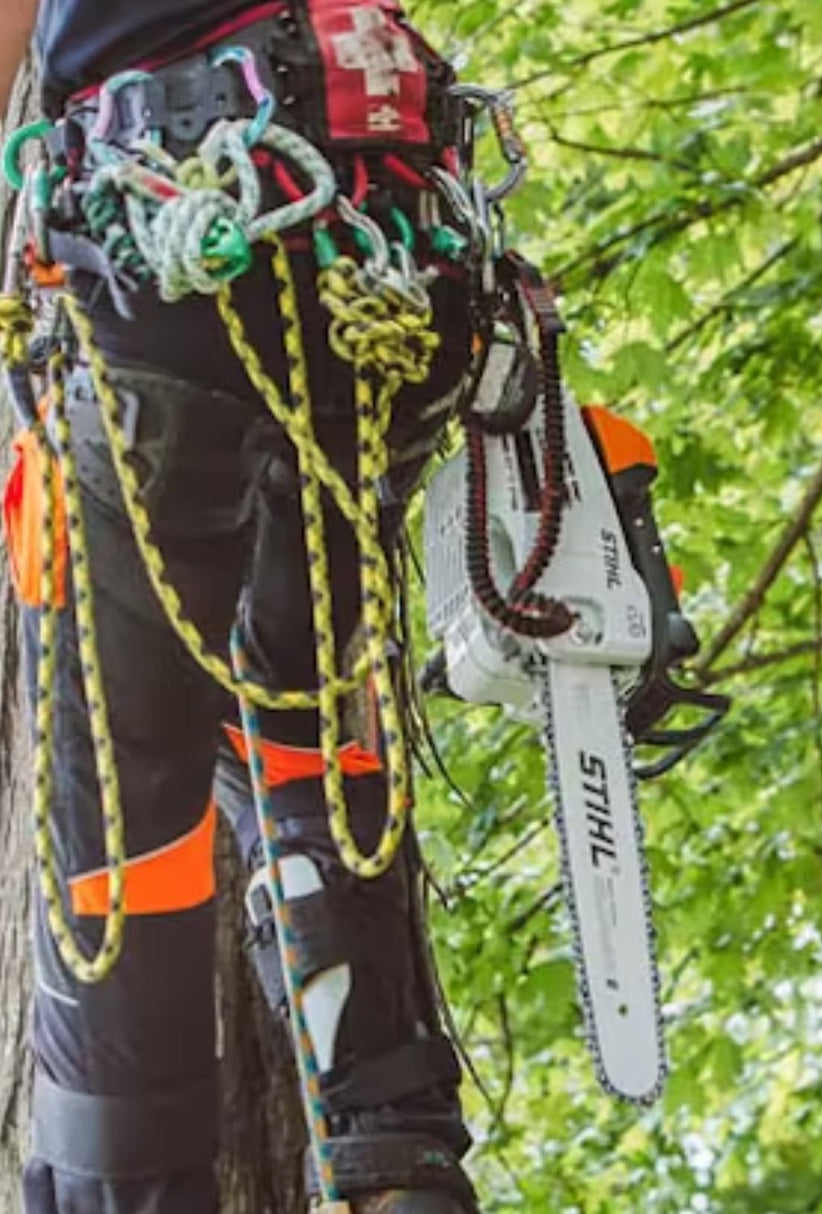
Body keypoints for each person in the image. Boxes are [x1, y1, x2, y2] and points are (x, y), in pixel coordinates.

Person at [0, 2, 492, 1212]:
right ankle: (398, 1150)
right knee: (298, 719)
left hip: (172, 256)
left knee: (124, 783)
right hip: (389, 262)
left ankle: (128, 1189)